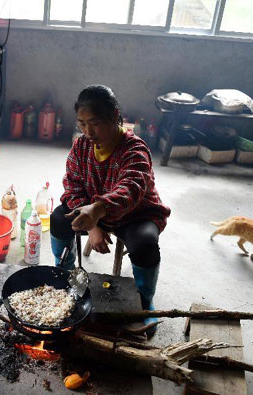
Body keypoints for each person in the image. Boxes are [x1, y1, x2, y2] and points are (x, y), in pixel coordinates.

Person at [50, 85, 171, 334]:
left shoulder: (134, 149)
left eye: (94, 123)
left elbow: (132, 187)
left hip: (135, 212)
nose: (87, 131)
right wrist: (93, 224)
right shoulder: (81, 146)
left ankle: (144, 302)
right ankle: (64, 275)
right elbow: (71, 184)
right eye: (82, 124)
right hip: (94, 210)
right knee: (59, 218)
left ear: (115, 115)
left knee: (146, 242)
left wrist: (98, 209)